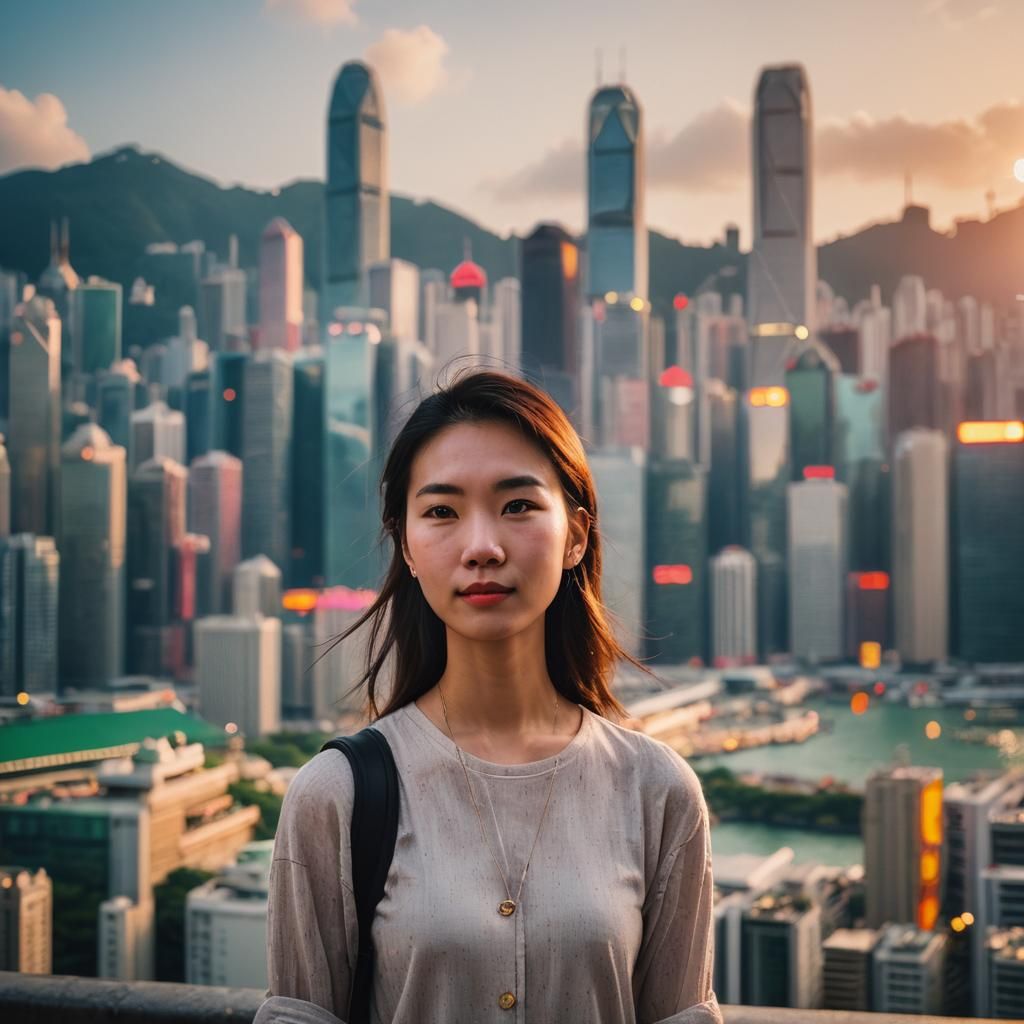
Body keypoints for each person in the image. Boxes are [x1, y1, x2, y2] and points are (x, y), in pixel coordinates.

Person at [256, 371, 722, 1024]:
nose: (482, 547)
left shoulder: (656, 790)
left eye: (518, 506)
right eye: (442, 511)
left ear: (576, 535)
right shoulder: (337, 794)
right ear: (408, 547)